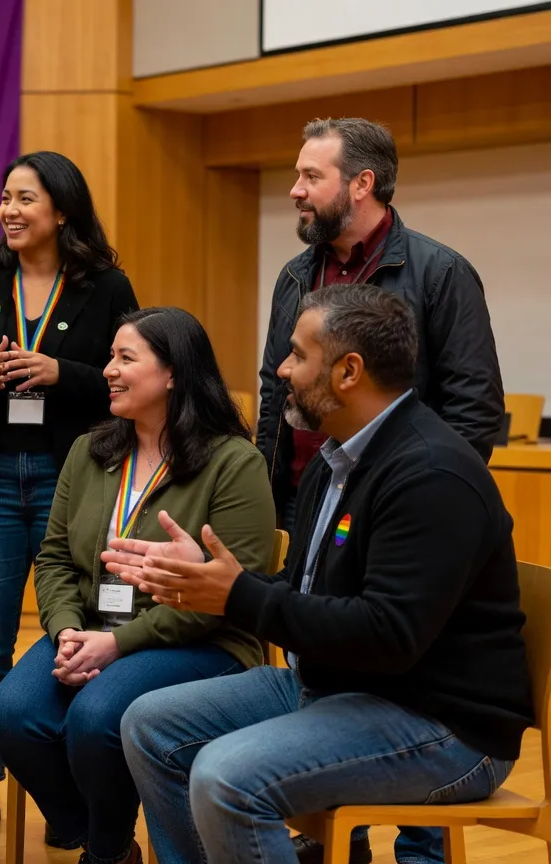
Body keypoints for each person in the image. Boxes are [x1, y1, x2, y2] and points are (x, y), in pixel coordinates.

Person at [115, 284, 533, 864]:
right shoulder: (335, 461)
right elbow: (302, 592)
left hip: (441, 725)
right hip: (338, 688)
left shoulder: (431, 475)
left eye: (298, 354)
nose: (282, 369)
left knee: (225, 778)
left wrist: (237, 596)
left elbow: (388, 636)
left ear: (348, 371)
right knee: (147, 723)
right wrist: (217, 583)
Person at [255, 117, 506, 864]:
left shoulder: (438, 271)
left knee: (408, 670)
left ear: (361, 184)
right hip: (310, 499)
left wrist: (425, 503)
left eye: (310, 177)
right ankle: (340, 837)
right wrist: (273, 496)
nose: (295, 191)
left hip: (402, 515)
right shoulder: (296, 276)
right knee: (326, 671)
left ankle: (422, 851)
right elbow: (276, 396)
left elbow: (474, 405)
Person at [0, 308, 274, 864]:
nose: (107, 371)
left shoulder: (234, 463)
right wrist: (67, 629)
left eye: (125, 358)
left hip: (198, 641)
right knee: (12, 713)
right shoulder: (88, 452)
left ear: (173, 374)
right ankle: (108, 842)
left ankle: (103, 850)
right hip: (92, 631)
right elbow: (53, 559)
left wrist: (118, 643)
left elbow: (234, 589)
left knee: (96, 717)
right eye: (109, 357)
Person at [0, 150, 138, 843]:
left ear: (62, 210)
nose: (10, 211)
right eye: (5, 198)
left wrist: (60, 371)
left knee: (75, 627)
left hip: (70, 480)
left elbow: (125, 382)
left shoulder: (107, 288)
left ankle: (68, 779)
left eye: (26, 199)